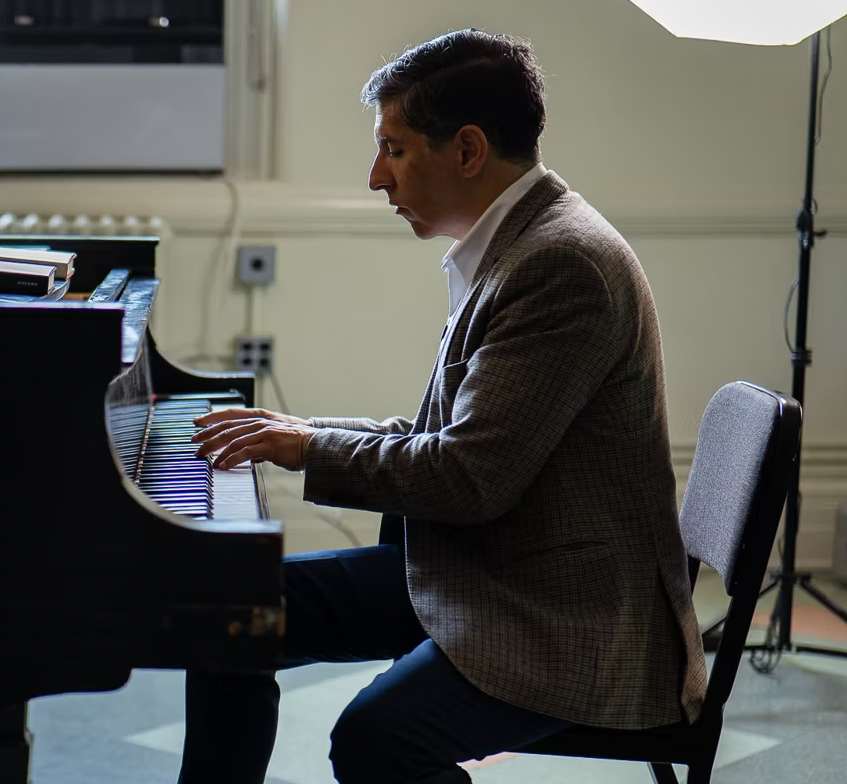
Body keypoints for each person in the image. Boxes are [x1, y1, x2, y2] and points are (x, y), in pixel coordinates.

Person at [179, 29, 706, 784]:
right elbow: (453, 442)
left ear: (465, 150)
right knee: (228, 617)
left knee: (376, 738)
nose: (374, 178)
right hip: (490, 568)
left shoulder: (562, 264)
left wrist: (306, 449)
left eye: (392, 149)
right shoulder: (520, 243)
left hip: (565, 616)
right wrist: (301, 432)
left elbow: (467, 478)